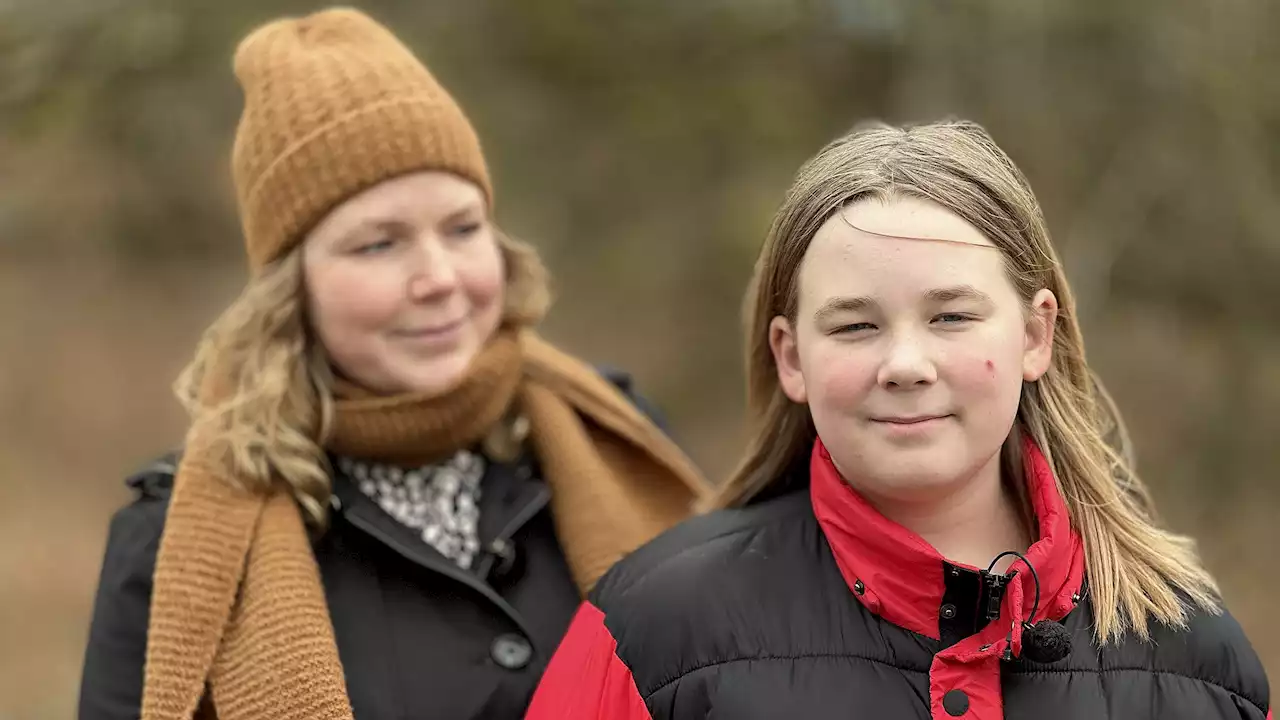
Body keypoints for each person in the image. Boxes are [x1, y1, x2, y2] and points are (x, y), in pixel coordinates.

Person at [77, 8, 709, 720]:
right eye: (379, 244)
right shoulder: (173, 544)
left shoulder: (618, 443)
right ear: (294, 289)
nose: (438, 276)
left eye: (463, 228)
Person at [525, 119, 1272, 720]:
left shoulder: (1192, 653)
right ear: (791, 357)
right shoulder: (654, 630)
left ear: (1034, 336)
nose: (906, 364)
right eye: (854, 326)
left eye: (950, 316)